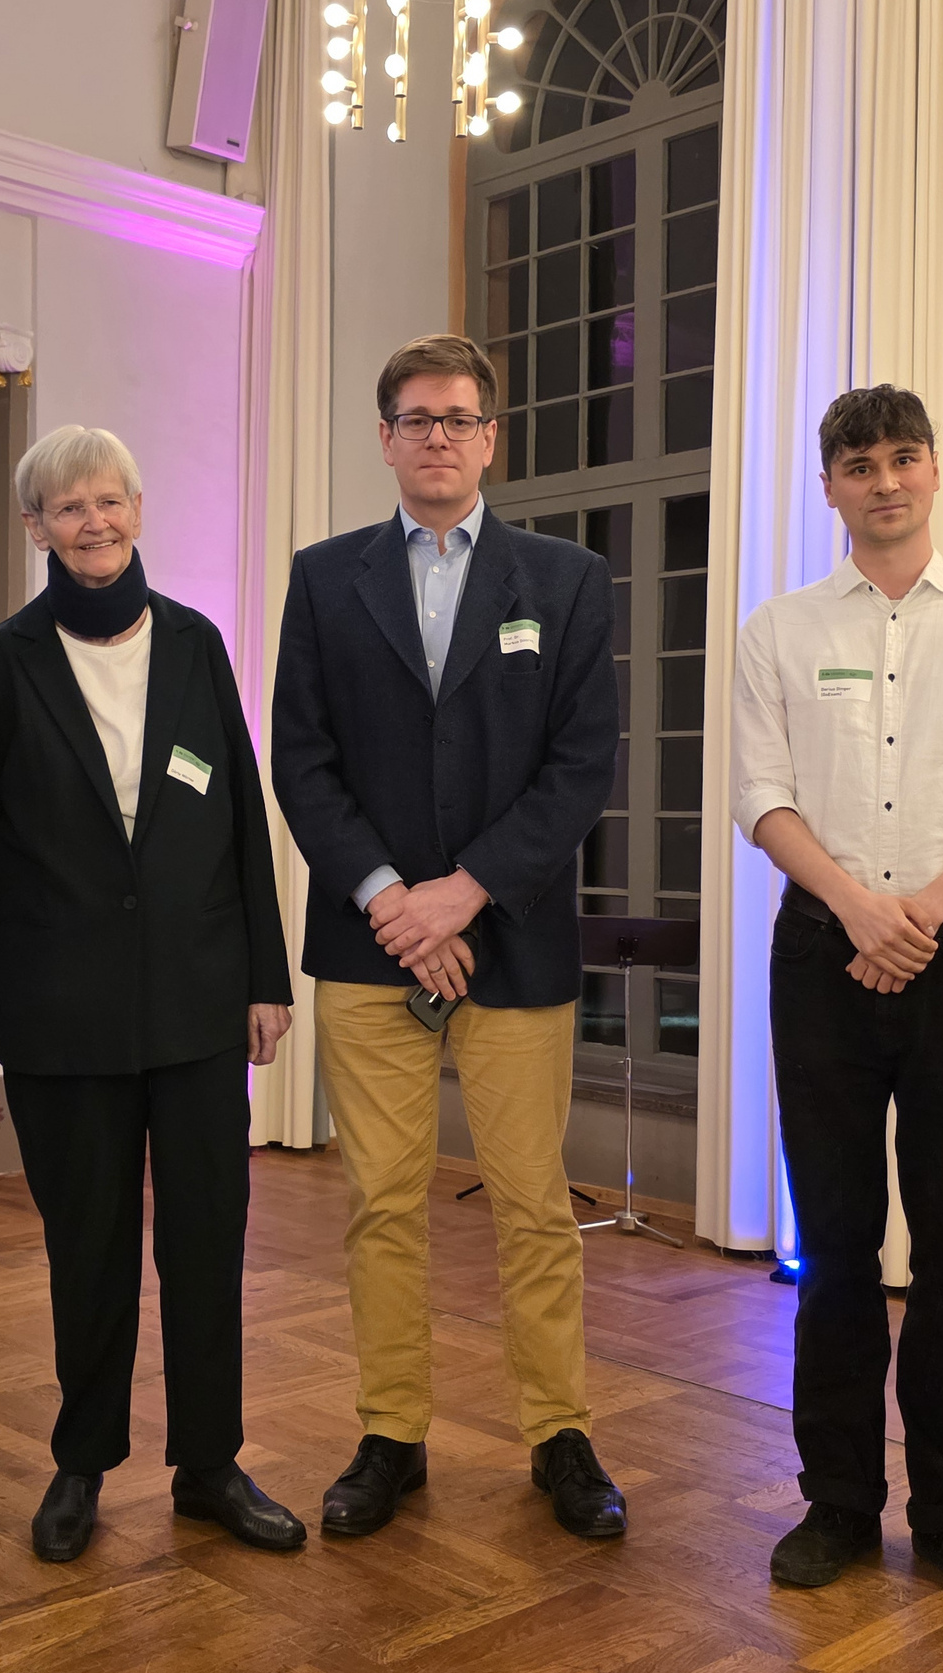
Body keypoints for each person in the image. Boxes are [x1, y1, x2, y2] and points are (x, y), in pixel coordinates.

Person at [272, 335, 626, 1541]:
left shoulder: (567, 581)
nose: (437, 436)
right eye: (415, 418)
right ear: (384, 438)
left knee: (532, 1202)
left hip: (510, 941)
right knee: (381, 1202)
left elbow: (582, 769)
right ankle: (390, 1433)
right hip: (369, 941)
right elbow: (301, 762)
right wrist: (390, 897)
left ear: (490, 439)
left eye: (458, 418)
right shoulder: (324, 579)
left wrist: (462, 892)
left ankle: (559, 1435)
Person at [0, 425, 304, 1564]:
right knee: (86, 1250)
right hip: (61, 1015)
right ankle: (80, 1462)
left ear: (138, 511)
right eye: (66, 507)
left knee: (208, 1240)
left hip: (198, 1003)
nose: (92, 522)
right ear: (35, 527)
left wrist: (265, 975)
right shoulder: (2, 661)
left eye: (109, 501)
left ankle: (208, 1464)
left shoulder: (197, 644)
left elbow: (242, 814)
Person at [729, 385, 943, 1615]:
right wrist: (860, 914)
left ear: (934, 472)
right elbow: (761, 796)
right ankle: (839, 1507)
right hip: (822, 956)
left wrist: (913, 917)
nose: (883, 481)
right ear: (828, 488)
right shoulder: (776, 628)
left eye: (902, 458)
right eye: (858, 464)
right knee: (836, 1251)